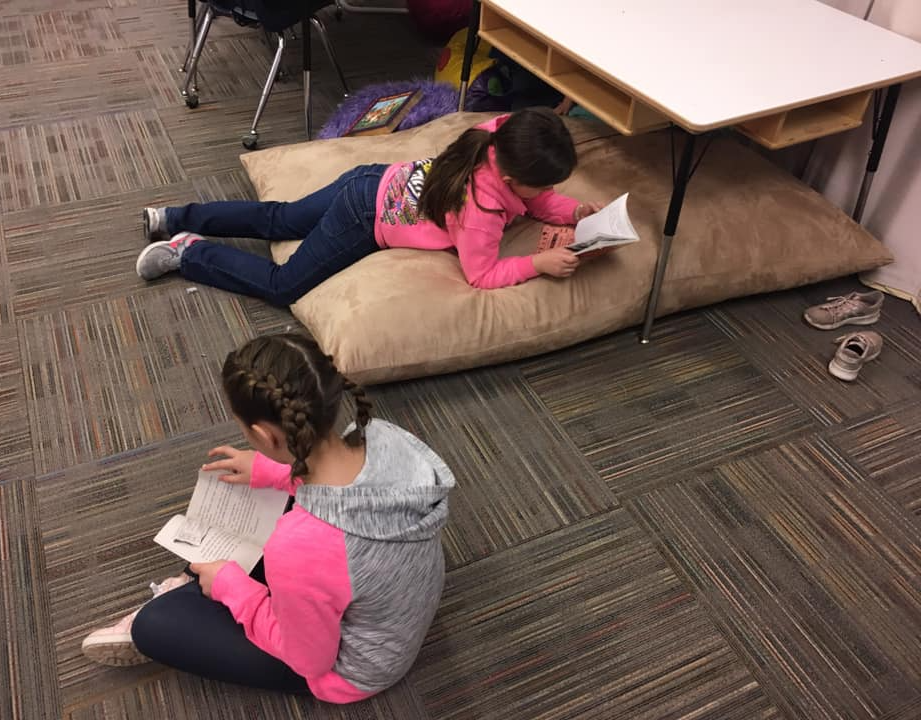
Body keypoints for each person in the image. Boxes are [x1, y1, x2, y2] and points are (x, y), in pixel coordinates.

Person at [80, 332, 456, 704]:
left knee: (154, 626)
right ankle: (198, 584)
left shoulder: (300, 546)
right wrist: (275, 471)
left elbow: (309, 660)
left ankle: (191, 591)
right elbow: (352, 497)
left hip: (353, 669)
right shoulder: (382, 438)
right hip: (393, 609)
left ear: (262, 433)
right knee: (249, 521)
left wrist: (232, 587)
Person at [135, 107, 606, 306]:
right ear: (510, 179)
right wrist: (537, 262)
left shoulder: (499, 133)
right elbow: (480, 275)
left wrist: (572, 213)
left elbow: (538, 196)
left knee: (279, 217)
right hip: (363, 217)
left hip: (372, 178)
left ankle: (174, 215)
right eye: (538, 186)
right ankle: (189, 251)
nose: (543, 195)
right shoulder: (480, 209)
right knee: (282, 286)